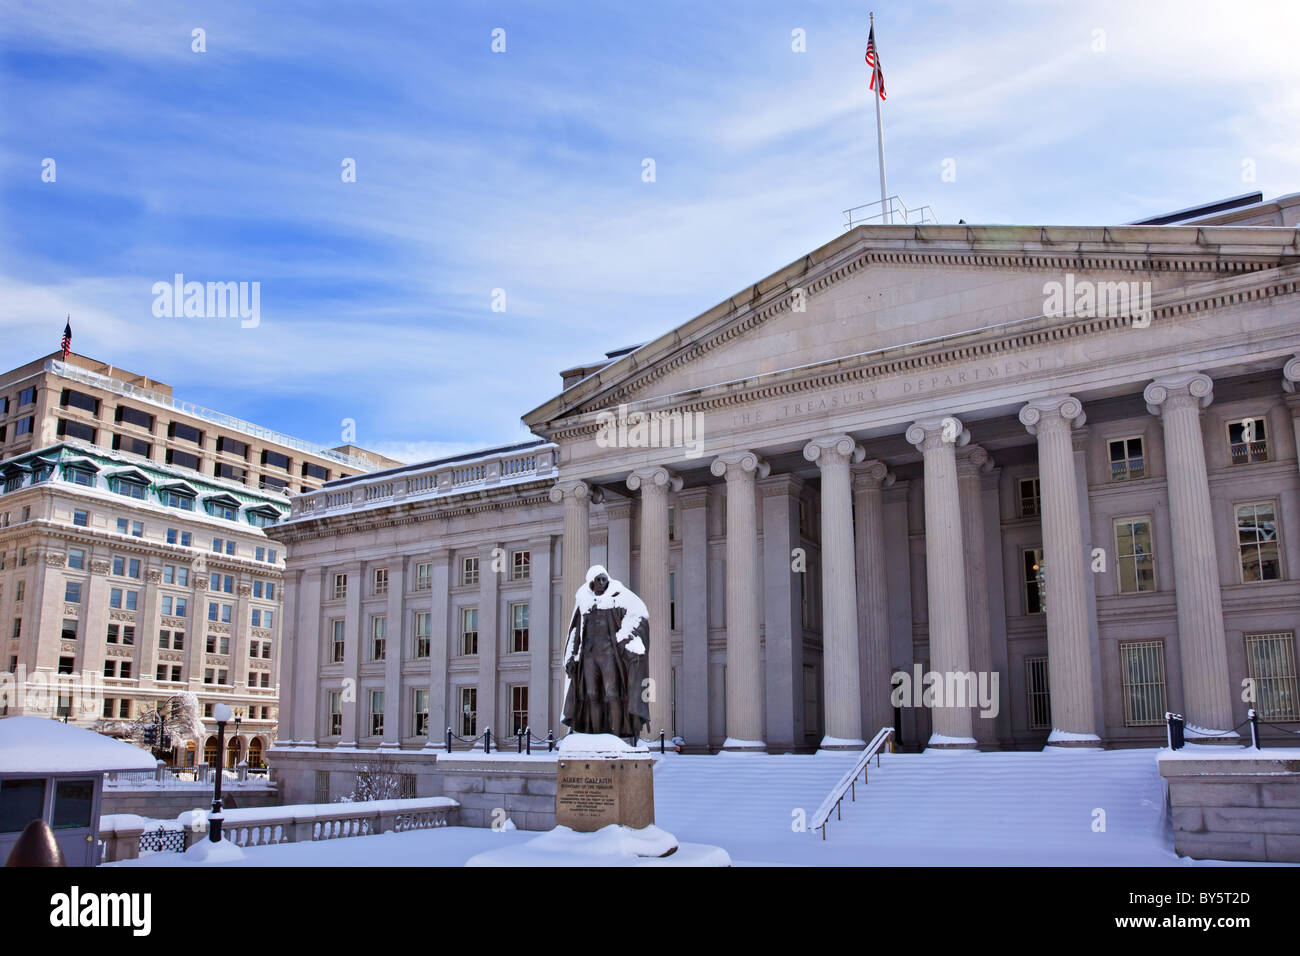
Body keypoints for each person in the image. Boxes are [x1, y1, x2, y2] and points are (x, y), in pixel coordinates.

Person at [561, 565, 651, 738]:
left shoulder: (618, 598)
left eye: (604, 579)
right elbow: (575, 632)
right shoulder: (583, 603)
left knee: (612, 694)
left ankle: (616, 737)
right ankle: (595, 736)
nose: (602, 583)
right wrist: (571, 655)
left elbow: (639, 614)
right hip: (588, 656)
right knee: (592, 695)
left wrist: (625, 636)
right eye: (599, 580)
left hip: (609, 655)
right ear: (591, 584)